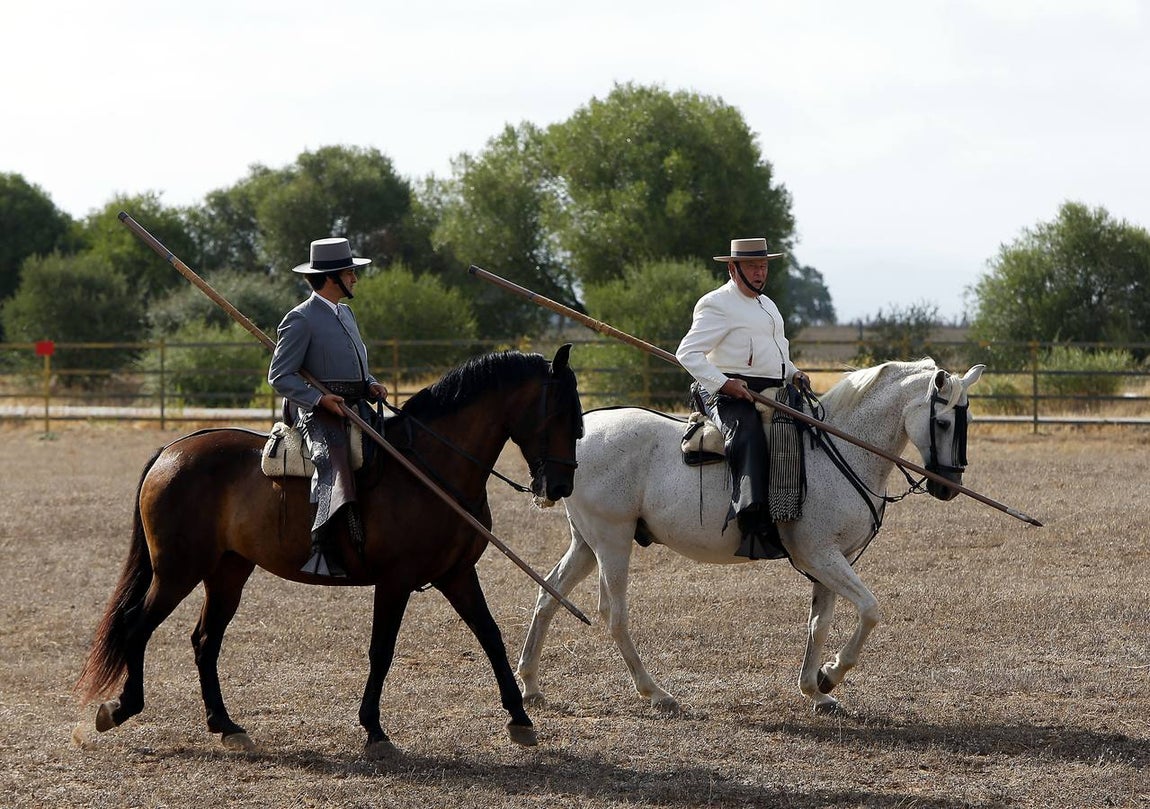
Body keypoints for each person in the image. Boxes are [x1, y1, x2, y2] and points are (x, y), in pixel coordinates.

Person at [676, 237, 811, 560]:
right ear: (733, 268)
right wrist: (723, 384)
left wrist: (793, 373)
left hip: (771, 389)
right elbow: (687, 353)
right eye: (752, 266)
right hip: (727, 393)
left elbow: (776, 351)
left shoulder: (768, 305)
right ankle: (752, 516)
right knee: (748, 433)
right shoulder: (717, 304)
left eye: (763, 266)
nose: (760, 272)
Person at [269, 237, 388, 577]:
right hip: (314, 410)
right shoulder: (300, 318)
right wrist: (319, 399)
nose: (355, 279)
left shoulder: (346, 313)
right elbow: (280, 376)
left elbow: (353, 364)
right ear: (332, 277)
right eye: (350, 272)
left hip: (353, 403)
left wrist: (369, 383)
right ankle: (324, 547)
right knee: (334, 461)